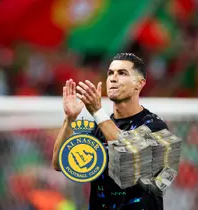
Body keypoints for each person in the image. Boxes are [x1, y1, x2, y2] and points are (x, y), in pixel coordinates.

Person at [52, 53, 168, 210]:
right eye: (110, 73)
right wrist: (69, 120)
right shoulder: (98, 129)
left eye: (122, 73)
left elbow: (129, 154)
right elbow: (60, 164)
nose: (113, 78)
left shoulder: (155, 126)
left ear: (139, 84)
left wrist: (97, 112)